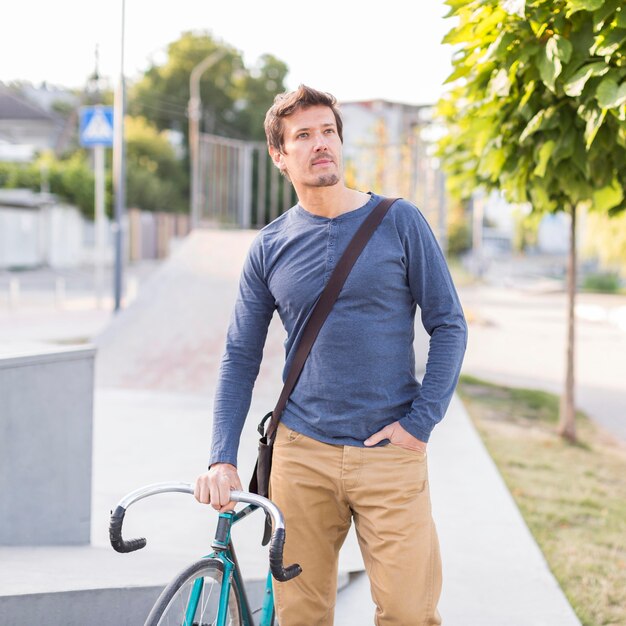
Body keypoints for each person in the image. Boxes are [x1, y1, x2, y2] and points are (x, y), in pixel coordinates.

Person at [195, 85, 467, 625]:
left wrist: (420, 423)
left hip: (390, 453)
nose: (321, 144)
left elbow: (449, 324)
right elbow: (239, 356)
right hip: (301, 457)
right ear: (280, 155)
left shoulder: (399, 220)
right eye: (303, 136)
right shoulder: (269, 247)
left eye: (328, 132)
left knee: (411, 613)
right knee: (300, 615)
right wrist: (221, 456)